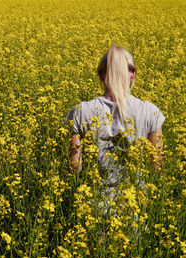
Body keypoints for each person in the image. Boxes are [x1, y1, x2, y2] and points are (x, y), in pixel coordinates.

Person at [66, 44, 165, 185]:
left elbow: (75, 168)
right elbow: (156, 166)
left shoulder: (81, 112)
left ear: (101, 75)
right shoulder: (150, 111)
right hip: (137, 201)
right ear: (132, 74)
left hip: (93, 202)